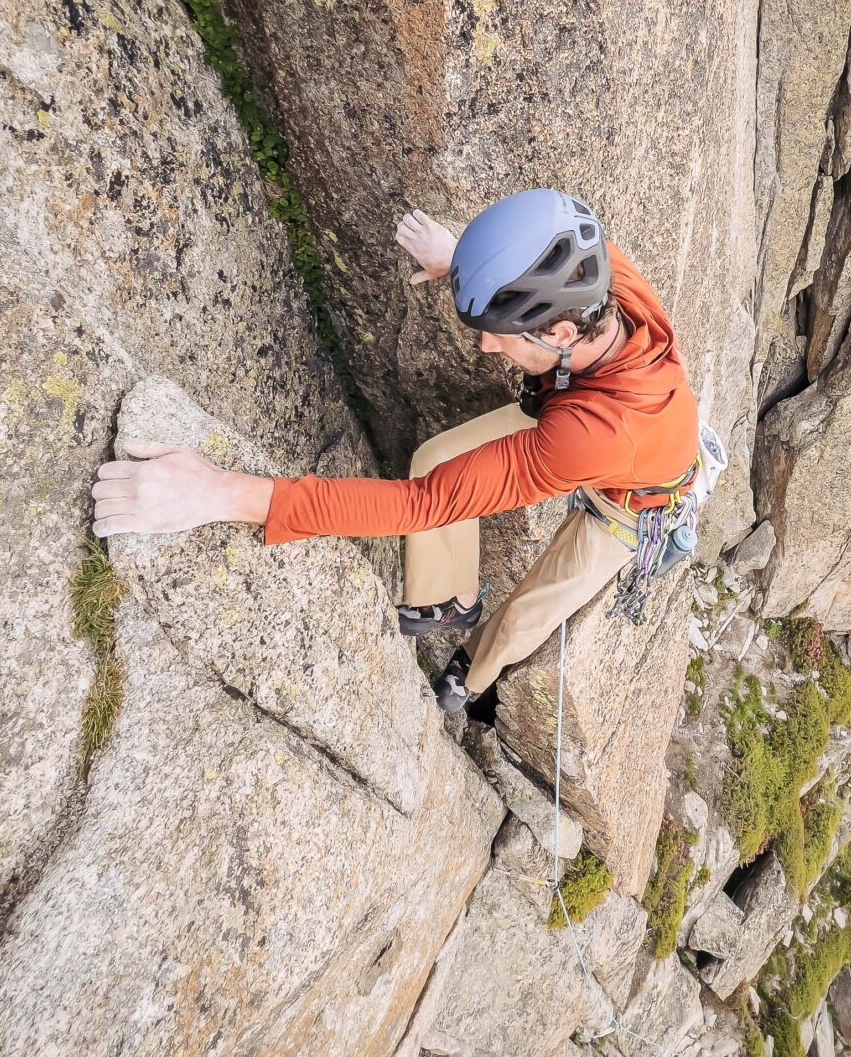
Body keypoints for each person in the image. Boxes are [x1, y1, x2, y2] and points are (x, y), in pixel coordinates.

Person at [91, 189, 702, 712]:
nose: (488, 346)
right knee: (437, 456)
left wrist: (220, 492)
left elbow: (422, 507)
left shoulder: (588, 436)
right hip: (580, 402)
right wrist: (466, 262)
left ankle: (470, 674)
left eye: (501, 331)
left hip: (632, 502)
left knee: (523, 618)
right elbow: (530, 259)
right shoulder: (600, 276)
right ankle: (449, 602)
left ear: (563, 332)